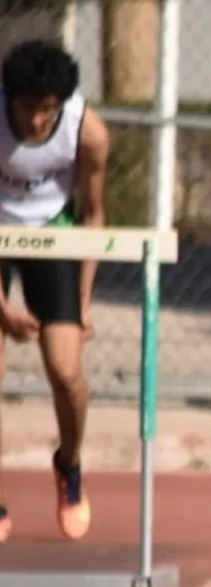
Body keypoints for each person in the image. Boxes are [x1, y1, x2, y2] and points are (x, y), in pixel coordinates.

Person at [0, 39, 107, 545]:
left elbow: (94, 217)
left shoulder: (87, 132)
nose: (38, 122)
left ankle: (69, 465)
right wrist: (2, 309)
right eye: (27, 108)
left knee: (66, 372)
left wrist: (84, 303)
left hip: (53, 234)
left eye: (48, 110)